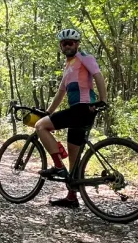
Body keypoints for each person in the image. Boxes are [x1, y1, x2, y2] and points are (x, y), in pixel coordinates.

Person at [36, 28, 109, 208]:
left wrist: (103, 100)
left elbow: (98, 76)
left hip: (83, 109)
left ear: (77, 44)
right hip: (80, 112)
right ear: (61, 46)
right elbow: (61, 92)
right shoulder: (69, 66)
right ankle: (72, 198)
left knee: (40, 126)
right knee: (74, 159)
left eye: (71, 42)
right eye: (64, 43)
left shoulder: (85, 58)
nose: (67, 45)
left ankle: (57, 166)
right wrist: (48, 111)